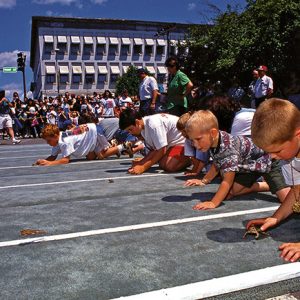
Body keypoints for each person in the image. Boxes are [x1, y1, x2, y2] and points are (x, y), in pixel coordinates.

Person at [185, 110, 290, 210]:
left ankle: (289, 186)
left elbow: (227, 181)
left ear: (213, 133)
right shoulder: (214, 140)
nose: (195, 145)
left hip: (266, 160)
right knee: (234, 191)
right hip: (249, 165)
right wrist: (204, 181)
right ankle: (266, 185)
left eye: (198, 139)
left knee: (287, 199)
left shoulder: (228, 149)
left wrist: (214, 202)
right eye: (192, 140)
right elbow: (217, 163)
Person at [246, 99, 300, 262]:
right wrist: (275, 218)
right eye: (268, 152)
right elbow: (297, 191)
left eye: (277, 150)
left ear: (297, 134)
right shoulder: (289, 154)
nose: (273, 157)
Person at [119, 108, 190, 174]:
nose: (130, 133)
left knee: (169, 166)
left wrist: (143, 167)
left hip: (183, 142)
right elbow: (154, 150)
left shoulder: (153, 125)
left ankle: (190, 158)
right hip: (173, 145)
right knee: (162, 163)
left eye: (130, 129)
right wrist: (141, 162)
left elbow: (162, 150)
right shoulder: (144, 128)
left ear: (137, 122)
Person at [34, 123, 130, 166]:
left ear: (55, 136)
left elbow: (65, 160)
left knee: (101, 155)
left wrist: (50, 164)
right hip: (89, 135)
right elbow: (53, 156)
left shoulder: (64, 141)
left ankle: (123, 146)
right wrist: (43, 161)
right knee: (91, 157)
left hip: (95, 132)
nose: (48, 143)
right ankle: (112, 145)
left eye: (49, 140)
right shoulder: (57, 140)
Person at [176, 112, 209, 178]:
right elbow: (193, 157)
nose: (183, 134)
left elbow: (202, 159)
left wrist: (196, 172)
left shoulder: (202, 138)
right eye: (181, 132)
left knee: (210, 170)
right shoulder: (188, 140)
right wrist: (193, 170)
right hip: (205, 161)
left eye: (185, 131)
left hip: (213, 160)